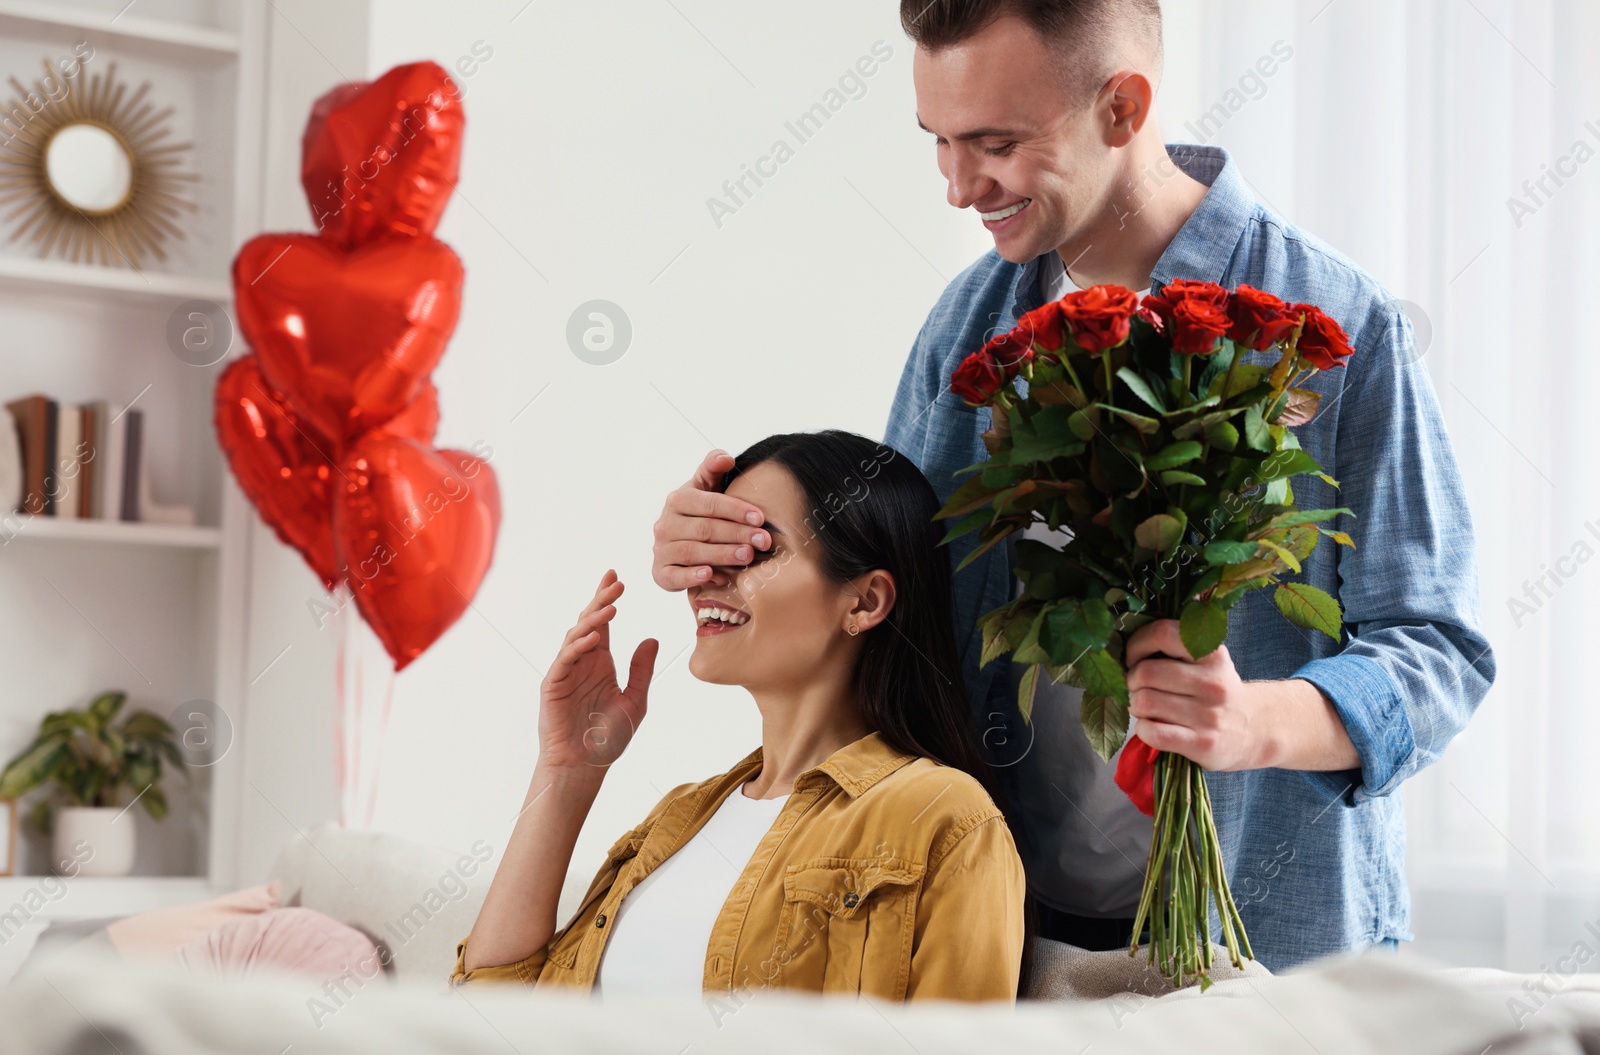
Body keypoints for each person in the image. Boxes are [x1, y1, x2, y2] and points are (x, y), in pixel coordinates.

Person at [651, 1, 1495, 974]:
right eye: (939, 143)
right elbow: (892, 613)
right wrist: (733, 545)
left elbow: (1440, 651)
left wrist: (1255, 721)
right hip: (1004, 939)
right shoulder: (967, 327)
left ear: (1122, 107)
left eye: (996, 143)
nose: (959, 186)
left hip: (1265, 943)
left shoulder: (1336, 327)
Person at [454, 431, 1027, 1003]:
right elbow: (487, 1022)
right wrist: (566, 771)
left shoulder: (945, 819)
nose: (708, 575)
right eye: (708, 551)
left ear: (865, 601)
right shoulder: (678, 819)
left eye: (755, 550)